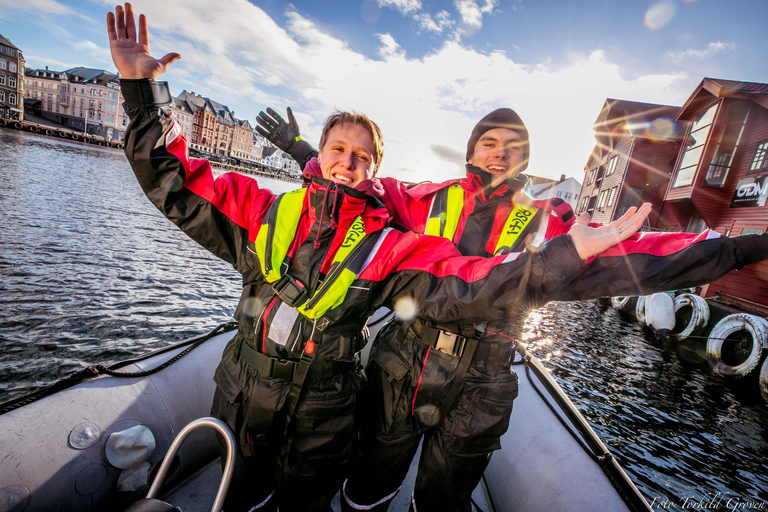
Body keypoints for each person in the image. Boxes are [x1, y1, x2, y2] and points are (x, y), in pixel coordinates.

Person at [106, 4, 655, 511]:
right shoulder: (265, 214)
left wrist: (568, 251)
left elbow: (465, 280)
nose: (347, 162)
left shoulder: (394, 243)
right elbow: (175, 184)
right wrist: (141, 90)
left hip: (332, 409)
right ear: (317, 158)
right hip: (246, 393)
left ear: (376, 171)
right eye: (336, 150)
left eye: (361, 156)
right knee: (243, 497)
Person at [258, 105, 768, 512]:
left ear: (525, 158)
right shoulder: (423, 199)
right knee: (369, 481)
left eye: (512, 147)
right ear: (471, 152)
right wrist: (304, 150)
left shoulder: (551, 220)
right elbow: (352, 186)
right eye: (488, 143)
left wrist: (744, 248)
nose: (499, 154)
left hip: (486, 378)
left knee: (443, 497)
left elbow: (640, 256)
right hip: (404, 365)